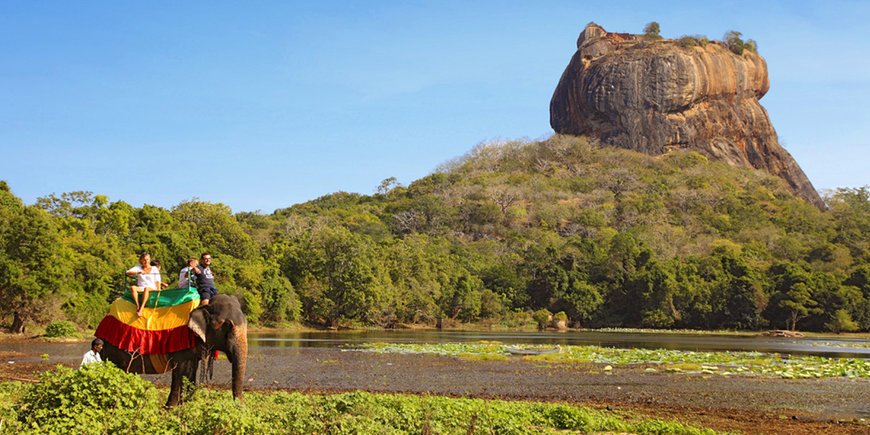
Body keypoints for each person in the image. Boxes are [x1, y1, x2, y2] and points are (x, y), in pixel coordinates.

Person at [126, 252, 162, 316]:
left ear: (149, 260)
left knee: (146, 288)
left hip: (151, 287)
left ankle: (141, 308)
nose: (146, 261)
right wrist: (138, 272)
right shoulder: (138, 267)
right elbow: (128, 272)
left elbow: (158, 280)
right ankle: (137, 305)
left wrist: (158, 290)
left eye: (147, 259)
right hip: (141, 287)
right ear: (141, 261)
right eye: (144, 260)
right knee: (133, 287)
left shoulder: (154, 269)